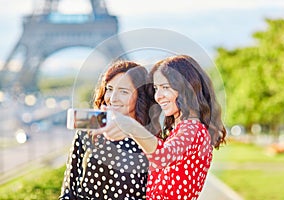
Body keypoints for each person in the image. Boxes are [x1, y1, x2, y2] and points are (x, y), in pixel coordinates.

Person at [93, 55, 227, 200]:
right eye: (156, 88)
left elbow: (162, 156)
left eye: (165, 87)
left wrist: (129, 125)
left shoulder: (193, 128)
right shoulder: (180, 129)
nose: (158, 96)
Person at [59, 60, 158, 199]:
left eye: (123, 92)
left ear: (140, 96)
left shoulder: (150, 138)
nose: (112, 99)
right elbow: (69, 188)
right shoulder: (88, 129)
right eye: (109, 89)